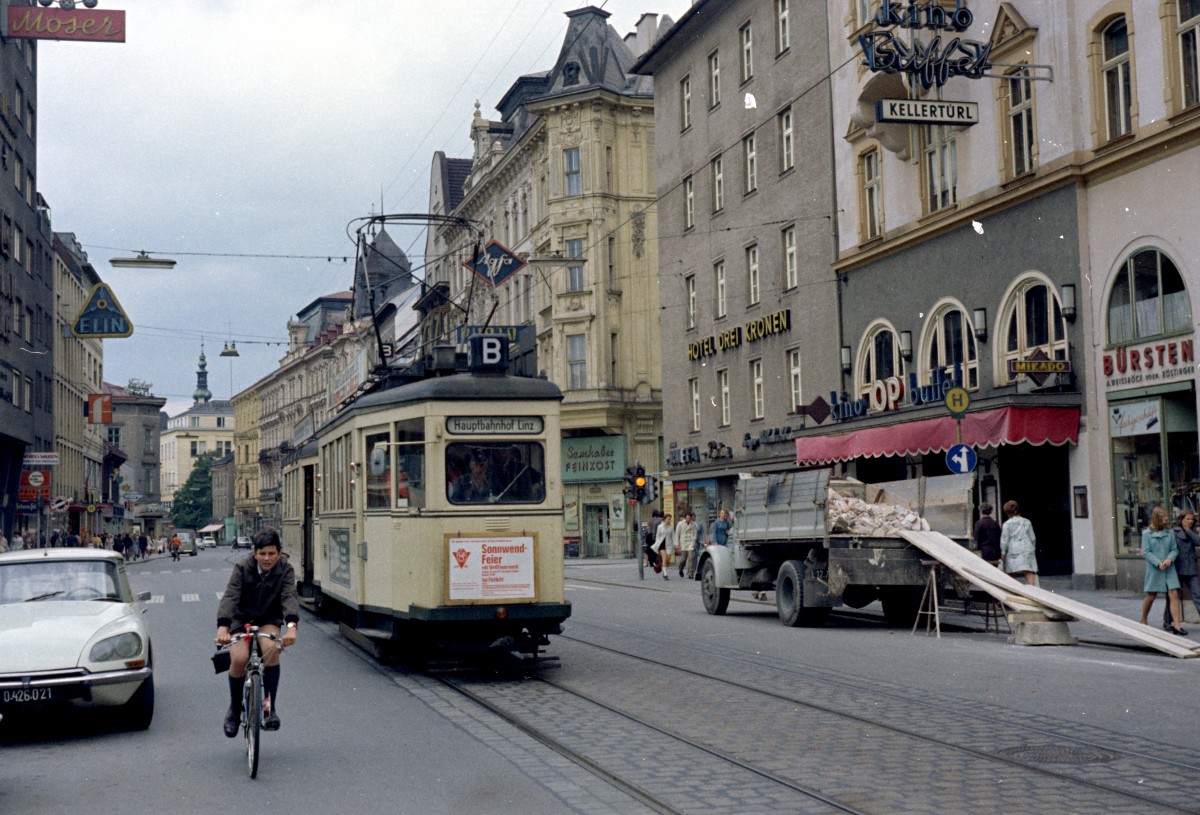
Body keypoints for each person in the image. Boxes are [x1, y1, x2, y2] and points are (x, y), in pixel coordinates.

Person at [216, 528, 299, 736]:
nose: (267, 558)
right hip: (242, 618)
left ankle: (269, 709)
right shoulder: (242, 567)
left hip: (269, 618)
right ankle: (234, 710)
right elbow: (231, 596)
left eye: (272, 553)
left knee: (271, 648)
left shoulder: (286, 569)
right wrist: (223, 627)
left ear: (279, 552)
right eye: (262, 553)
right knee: (239, 658)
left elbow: (289, 597)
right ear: (254, 553)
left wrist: (291, 628)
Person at [1140, 505, 1186, 635]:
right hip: (1155, 569)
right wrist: (1158, 563)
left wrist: (1169, 559)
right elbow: (1146, 552)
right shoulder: (1147, 534)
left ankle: (1177, 625)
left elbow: (1174, 549)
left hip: (1169, 568)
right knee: (1151, 595)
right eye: (1163, 517)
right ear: (1156, 518)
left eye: (1166, 516)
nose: (1166, 519)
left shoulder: (1169, 533)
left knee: (1174, 594)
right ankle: (1143, 619)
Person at [1165, 509, 1200, 631]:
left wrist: (1188, 530)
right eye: (1187, 519)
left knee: (1197, 595)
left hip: (1191, 569)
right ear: (1181, 520)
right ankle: (1167, 621)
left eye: (1192, 519)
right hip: (1176, 568)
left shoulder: (1193, 531)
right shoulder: (1173, 532)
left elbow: (1198, 542)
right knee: (1173, 596)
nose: (1190, 521)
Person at [999, 500, 1038, 586]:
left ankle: (1013, 589)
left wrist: (1003, 552)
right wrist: (1033, 547)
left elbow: (1004, 540)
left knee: (1010, 571)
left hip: (1013, 549)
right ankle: (1032, 590)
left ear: (1006, 512)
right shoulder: (1027, 521)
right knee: (1028, 571)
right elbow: (1032, 537)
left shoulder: (1007, 524)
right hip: (1027, 548)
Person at [675, 511, 698, 579]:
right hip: (683, 542)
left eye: (689, 518)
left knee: (691, 558)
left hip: (690, 542)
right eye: (687, 518)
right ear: (685, 518)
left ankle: (690, 573)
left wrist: (693, 540)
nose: (688, 519)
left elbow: (695, 533)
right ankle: (680, 568)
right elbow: (677, 534)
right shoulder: (680, 524)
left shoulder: (693, 524)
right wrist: (676, 544)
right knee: (683, 559)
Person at [654, 513, 674, 581]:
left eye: (670, 519)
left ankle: (663, 567)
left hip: (669, 544)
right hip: (661, 545)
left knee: (668, 560)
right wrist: (657, 545)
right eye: (668, 519)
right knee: (664, 557)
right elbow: (657, 536)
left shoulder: (671, 527)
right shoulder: (660, 527)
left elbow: (673, 536)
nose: (669, 520)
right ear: (664, 519)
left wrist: (676, 544)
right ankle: (665, 574)